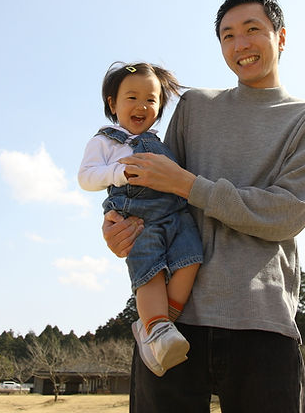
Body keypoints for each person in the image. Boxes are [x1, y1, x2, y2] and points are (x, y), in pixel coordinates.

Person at [102, 0, 305, 413]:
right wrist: (116, 225)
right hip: (172, 324)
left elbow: (286, 214)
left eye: (253, 30)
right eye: (228, 35)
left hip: (262, 323)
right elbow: (153, 189)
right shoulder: (194, 106)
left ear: (281, 37)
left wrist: (192, 186)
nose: (240, 44)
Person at [78, 62, 203, 376]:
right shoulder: (106, 141)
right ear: (112, 104)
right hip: (138, 218)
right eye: (131, 97)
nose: (141, 105)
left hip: (173, 213)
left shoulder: (161, 142)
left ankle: (160, 325)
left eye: (151, 99)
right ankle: (157, 327)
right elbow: (86, 178)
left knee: (191, 259)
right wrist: (119, 173)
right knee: (150, 273)